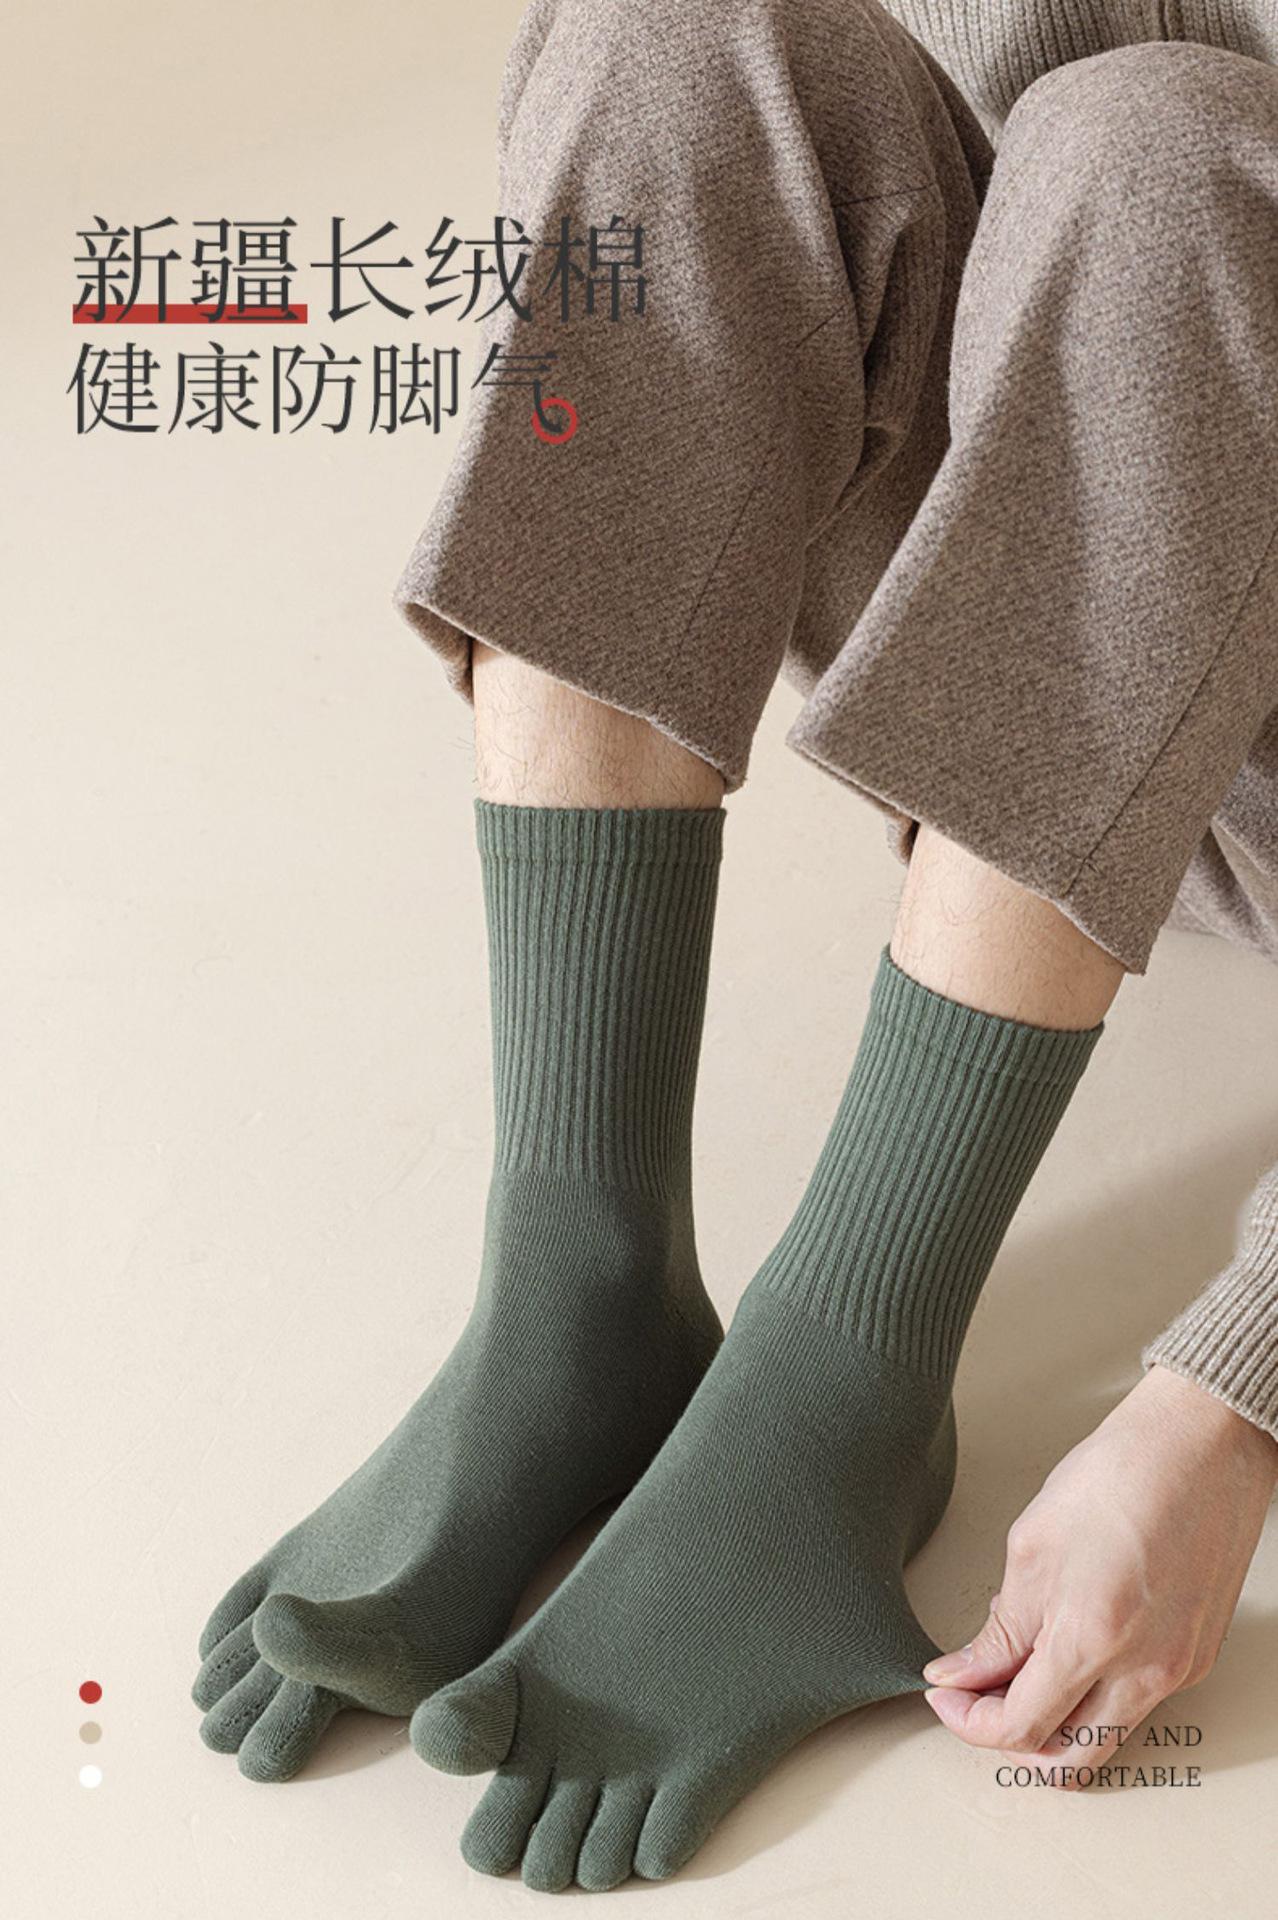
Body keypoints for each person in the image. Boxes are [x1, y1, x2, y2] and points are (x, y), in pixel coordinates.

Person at [191, 0, 1278, 1892]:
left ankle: (841, 1382)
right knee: (676, 45)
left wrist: (1233, 1404)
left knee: (1171, 157)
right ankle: (579, 1282)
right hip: (1052, 645)